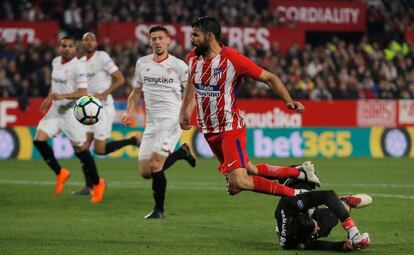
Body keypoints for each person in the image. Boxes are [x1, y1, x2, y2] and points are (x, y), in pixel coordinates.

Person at [179, 16, 320, 198]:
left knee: (239, 181)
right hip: (208, 131)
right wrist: (185, 112)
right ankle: (300, 172)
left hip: (230, 128)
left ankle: (298, 194)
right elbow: (192, 84)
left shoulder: (232, 59)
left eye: (195, 35)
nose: (192, 39)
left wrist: (288, 100)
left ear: (210, 36)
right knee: (249, 169)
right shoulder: (192, 58)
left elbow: (270, 78)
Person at [122, 25, 197, 219]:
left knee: (156, 165)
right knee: (145, 171)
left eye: (160, 38)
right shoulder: (142, 63)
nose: (157, 42)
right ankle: (182, 152)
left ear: (168, 41)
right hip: (152, 123)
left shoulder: (179, 66)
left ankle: (159, 210)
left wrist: (185, 115)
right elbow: (135, 92)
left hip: (171, 120)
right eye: (153, 38)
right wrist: (128, 112)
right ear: (150, 41)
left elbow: (192, 95)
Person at [33, 36, 105, 203]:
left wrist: (62, 96)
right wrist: (49, 98)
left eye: (70, 46)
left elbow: (82, 93)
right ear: (60, 47)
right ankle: (60, 173)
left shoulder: (78, 67)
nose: (66, 49)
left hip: (71, 114)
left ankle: (97, 184)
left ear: (75, 48)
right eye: (64, 46)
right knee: (39, 140)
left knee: (81, 150)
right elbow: (55, 86)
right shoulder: (56, 62)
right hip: (55, 111)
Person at [72, 32, 140, 196]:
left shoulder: (103, 57)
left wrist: (104, 93)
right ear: (82, 44)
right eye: (86, 39)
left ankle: (132, 140)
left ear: (96, 43)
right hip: (87, 109)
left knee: (100, 150)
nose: (89, 42)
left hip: (103, 107)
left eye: (92, 39)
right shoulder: (79, 63)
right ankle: (90, 186)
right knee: (83, 148)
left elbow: (120, 78)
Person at [274, 177, 371, 251]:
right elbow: (318, 245)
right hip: (299, 212)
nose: (318, 228)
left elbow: (328, 195)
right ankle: (342, 204)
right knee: (329, 221)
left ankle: (343, 202)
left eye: (315, 226)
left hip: (297, 190)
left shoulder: (291, 203)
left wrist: (351, 229)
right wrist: (349, 245)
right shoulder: (289, 243)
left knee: (337, 206)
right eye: (315, 230)